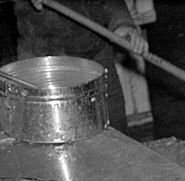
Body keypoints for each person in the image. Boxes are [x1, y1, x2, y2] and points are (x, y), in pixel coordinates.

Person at [13, 0, 148, 133]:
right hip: (45, 63)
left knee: (115, 132)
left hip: (97, 52)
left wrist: (122, 23)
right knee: (54, 134)